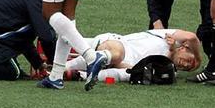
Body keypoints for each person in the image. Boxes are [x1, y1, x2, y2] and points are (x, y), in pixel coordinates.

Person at [63, 29, 202, 83]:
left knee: (131, 74)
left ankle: (78, 75)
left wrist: (171, 53)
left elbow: (135, 69)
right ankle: (63, 68)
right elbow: (192, 37)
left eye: (186, 68)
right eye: (189, 60)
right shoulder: (169, 37)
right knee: (117, 55)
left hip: (118, 62)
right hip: (117, 43)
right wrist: (199, 59)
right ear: (184, 47)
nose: (185, 64)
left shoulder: (167, 71)